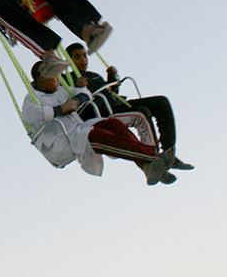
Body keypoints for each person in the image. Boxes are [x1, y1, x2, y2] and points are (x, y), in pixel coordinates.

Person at [21, 61, 173, 185]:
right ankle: (154, 156)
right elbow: (33, 116)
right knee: (97, 137)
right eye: (53, 75)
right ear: (41, 79)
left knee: (113, 124)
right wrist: (61, 108)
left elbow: (85, 93)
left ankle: (147, 166)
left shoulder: (61, 90)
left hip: (78, 130)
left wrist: (76, 101)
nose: (58, 77)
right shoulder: (31, 100)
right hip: (61, 144)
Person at [64, 43, 194, 177]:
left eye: (84, 56)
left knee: (161, 102)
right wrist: (79, 88)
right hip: (101, 114)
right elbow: (71, 104)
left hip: (116, 104)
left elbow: (110, 93)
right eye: (77, 57)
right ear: (69, 60)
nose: (83, 60)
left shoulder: (93, 76)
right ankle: (153, 159)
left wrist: (111, 79)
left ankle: (168, 150)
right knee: (141, 113)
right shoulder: (67, 80)